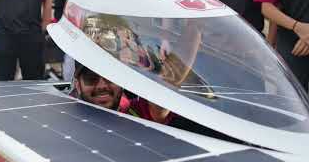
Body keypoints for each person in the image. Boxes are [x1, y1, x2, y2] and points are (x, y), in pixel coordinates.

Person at [72, 62, 243, 142]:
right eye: (91, 78)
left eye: (110, 78)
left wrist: (192, 31)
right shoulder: (62, 113)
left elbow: (163, 92)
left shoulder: (136, 112)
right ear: (77, 85)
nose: (102, 86)